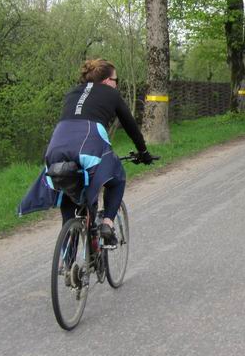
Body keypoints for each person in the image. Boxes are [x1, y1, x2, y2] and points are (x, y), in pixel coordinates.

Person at [19, 59, 154, 245]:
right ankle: (107, 223)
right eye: (116, 80)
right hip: (88, 143)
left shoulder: (72, 92)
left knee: (69, 191)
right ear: (107, 81)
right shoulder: (111, 94)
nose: (117, 84)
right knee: (117, 178)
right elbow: (131, 127)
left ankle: (68, 264)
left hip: (56, 146)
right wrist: (144, 152)